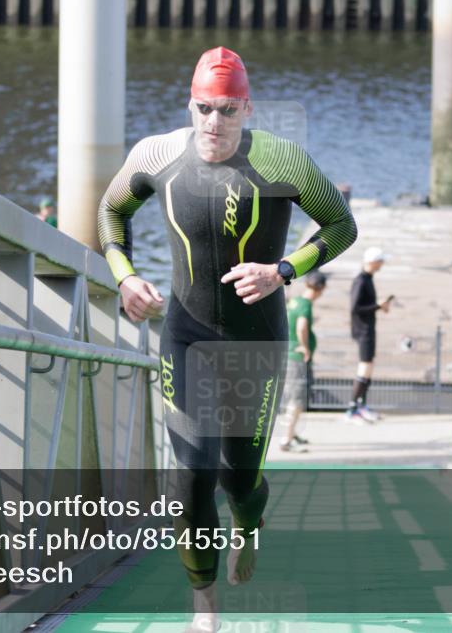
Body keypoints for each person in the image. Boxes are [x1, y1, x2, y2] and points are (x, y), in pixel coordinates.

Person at [97, 46, 357, 633]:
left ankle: (250, 523)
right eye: (204, 109)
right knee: (190, 476)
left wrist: (283, 270)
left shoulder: (282, 161)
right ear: (190, 105)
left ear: (248, 108)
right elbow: (111, 215)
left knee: (239, 477)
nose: (215, 123)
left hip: (256, 343)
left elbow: (342, 225)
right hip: (185, 336)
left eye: (229, 110)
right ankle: (204, 605)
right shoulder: (156, 155)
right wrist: (126, 276)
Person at [279, 271, 327, 452]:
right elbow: (301, 327)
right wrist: (305, 346)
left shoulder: (296, 301)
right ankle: (286, 439)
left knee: (295, 398)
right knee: (297, 400)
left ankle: (293, 434)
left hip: (290, 355)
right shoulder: (306, 304)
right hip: (297, 358)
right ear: (320, 289)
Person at [346, 247, 392, 425]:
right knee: (364, 368)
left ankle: (361, 406)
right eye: (380, 261)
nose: (382, 264)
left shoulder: (368, 279)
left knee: (368, 367)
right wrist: (377, 306)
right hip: (363, 330)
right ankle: (352, 409)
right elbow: (355, 308)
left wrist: (379, 306)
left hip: (368, 329)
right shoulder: (361, 280)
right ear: (372, 261)